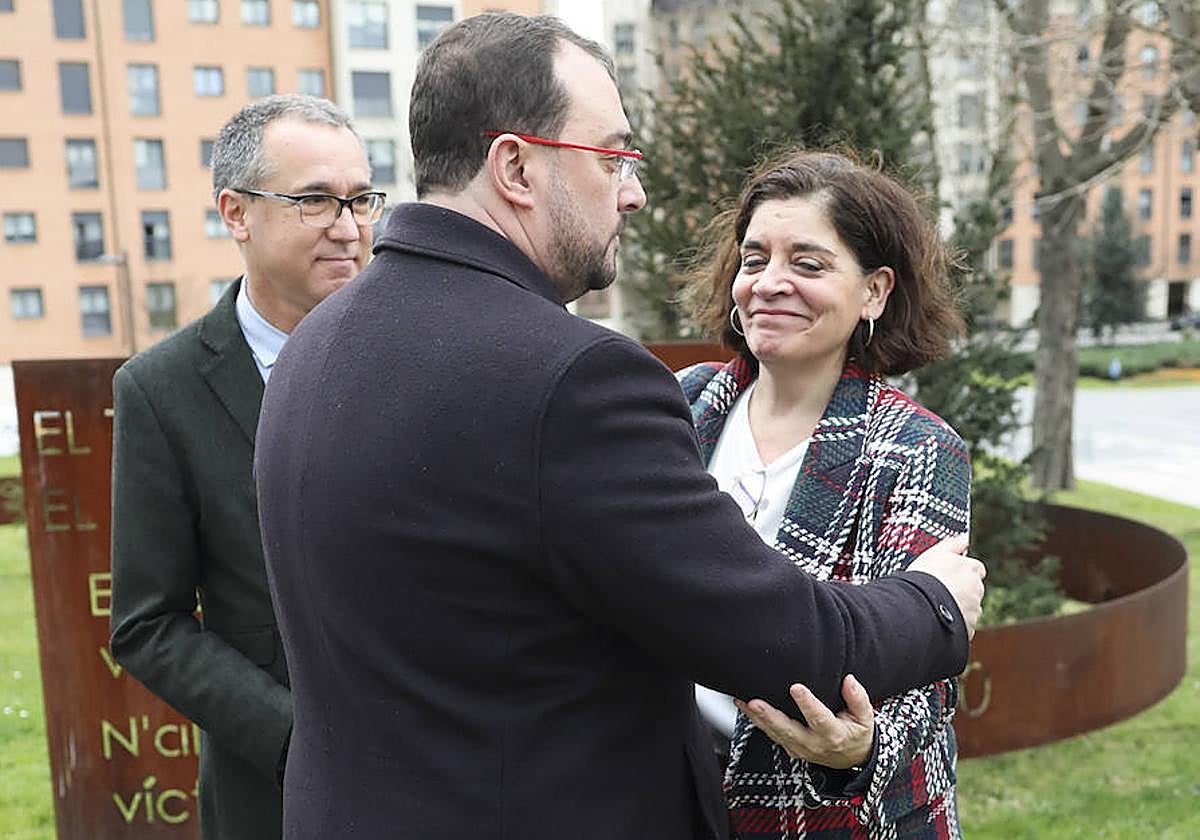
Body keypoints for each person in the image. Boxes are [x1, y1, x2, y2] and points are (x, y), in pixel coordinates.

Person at [253, 14, 985, 840]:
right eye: (613, 158)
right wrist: (936, 605)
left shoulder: (314, 341)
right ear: (516, 167)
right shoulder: (575, 379)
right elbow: (784, 639)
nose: (633, 192)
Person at [109, 94, 380, 840]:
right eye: (315, 200)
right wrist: (297, 741)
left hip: (452, 778)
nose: (348, 228)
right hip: (276, 796)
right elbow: (147, 623)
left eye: (361, 199)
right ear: (236, 213)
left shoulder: (428, 355)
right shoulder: (160, 390)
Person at [678, 149, 970, 838]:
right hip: (676, 794)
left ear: (874, 292)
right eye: (754, 260)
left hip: (835, 816)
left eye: (808, 264)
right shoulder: (681, 405)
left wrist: (864, 747)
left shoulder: (917, 448)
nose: (769, 283)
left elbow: (926, 663)